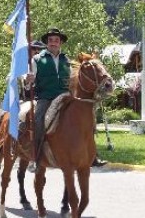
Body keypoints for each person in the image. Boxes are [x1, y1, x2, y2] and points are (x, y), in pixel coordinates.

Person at [25, 28, 106, 171]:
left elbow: (73, 81)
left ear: (60, 42)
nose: (53, 43)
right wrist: (28, 80)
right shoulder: (37, 60)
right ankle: (35, 158)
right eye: (50, 40)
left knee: (88, 119)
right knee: (38, 121)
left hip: (66, 97)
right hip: (45, 98)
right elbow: (28, 82)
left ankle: (93, 155)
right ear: (47, 43)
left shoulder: (66, 61)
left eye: (56, 40)